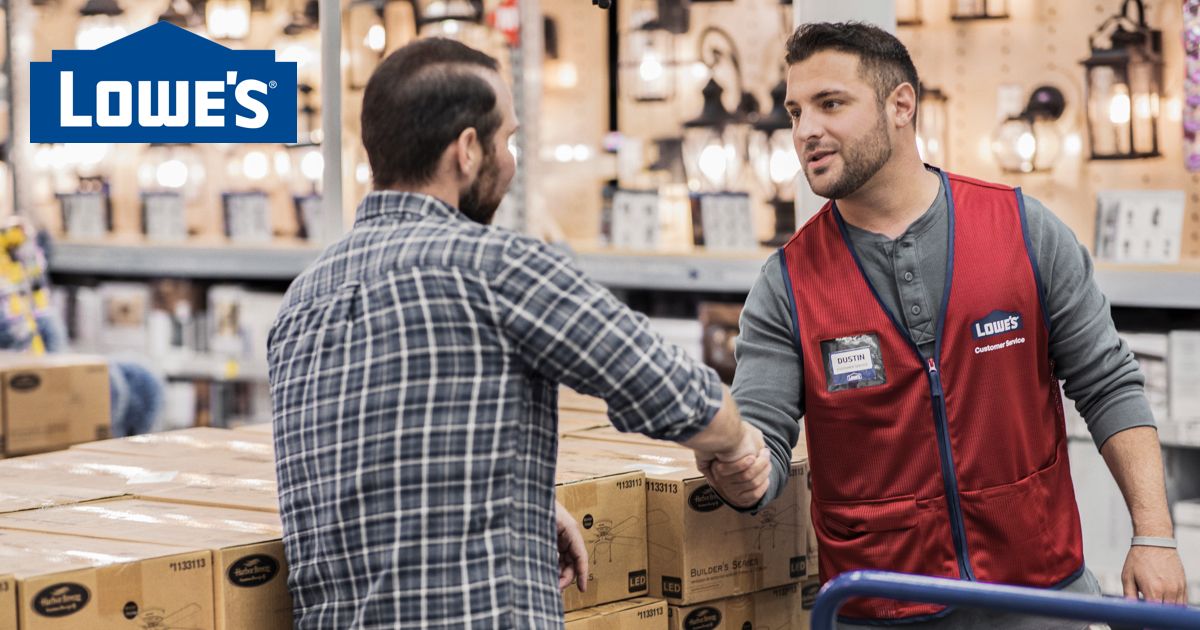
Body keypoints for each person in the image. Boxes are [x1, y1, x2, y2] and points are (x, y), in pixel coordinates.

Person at [265, 38, 769, 629]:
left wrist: (521, 502)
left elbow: (373, 464)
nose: (511, 159)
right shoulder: (496, 266)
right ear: (468, 151)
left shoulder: (301, 302)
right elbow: (677, 394)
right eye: (508, 140)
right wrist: (740, 448)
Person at [703, 21, 1188, 629]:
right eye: (796, 111)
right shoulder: (788, 284)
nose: (806, 132)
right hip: (879, 606)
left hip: (1038, 593)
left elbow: (1109, 383)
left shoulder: (1022, 231)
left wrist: (1155, 536)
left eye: (831, 104)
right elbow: (764, 449)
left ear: (900, 104)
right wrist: (733, 462)